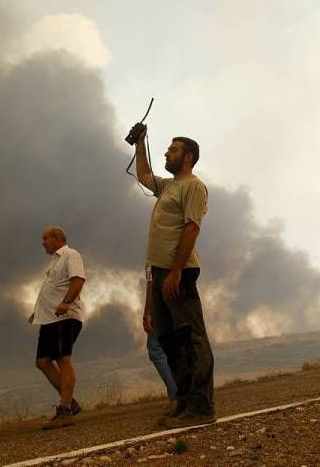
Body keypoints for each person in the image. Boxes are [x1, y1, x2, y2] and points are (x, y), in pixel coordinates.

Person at [134, 125, 215, 428]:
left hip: (178, 271)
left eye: (173, 149)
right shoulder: (168, 186)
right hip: (160, 272)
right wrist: (141, 143)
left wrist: (177, 270)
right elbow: (143, 176)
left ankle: (202, 407)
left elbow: (192, 228)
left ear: (188, 157)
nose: (167, 152)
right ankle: (182, 400)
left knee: (193, 340)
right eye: (167, 148)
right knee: (170, 341)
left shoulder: (193, 186)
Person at [28, 226, 86, 430]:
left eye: (45, 238)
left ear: (56, 238)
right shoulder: (55, 261)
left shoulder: (71, 254)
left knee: (63, 359)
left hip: (65, 317)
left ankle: (65, 411)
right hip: (50, 319)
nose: (43, 242)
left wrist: (66, 302)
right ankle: (69, 401)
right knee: (42, 362)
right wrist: (38, 311)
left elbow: (78, 280)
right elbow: (53, 289)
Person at [142, 271, 178, 404]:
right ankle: (188, 393)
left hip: (162, 304)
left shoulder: (153, 255)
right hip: (180, 301)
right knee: (178, 346)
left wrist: (147, 313)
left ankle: (176, 396)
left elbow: (151, 283)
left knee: (156, 350)